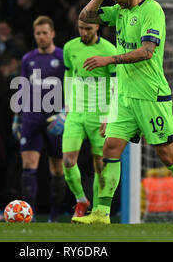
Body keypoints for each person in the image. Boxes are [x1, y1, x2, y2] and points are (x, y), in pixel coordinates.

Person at [74, 0, 173, 225]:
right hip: (125, 98)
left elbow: (146, 51)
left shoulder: (151, 10)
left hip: (150, 95)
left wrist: (108, 59)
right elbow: (85, 16)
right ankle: (101, 212)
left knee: (167, 155)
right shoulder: (119, 11)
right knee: (110, 148)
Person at [61, 19, 117, 221]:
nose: (84, 32)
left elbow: (115, 84)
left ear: (97, 28)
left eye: (88, 29)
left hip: (99, 113)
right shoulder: (70, 47)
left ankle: (96, 211)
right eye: (81, 28)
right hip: (75, 112)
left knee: (100, 165)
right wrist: (67, 104)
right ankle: (81, 199)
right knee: (67, 161)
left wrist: (109, 115)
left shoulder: (109, 49)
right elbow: (68, 74)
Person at [13, 16, 66, 222]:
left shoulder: (63, 57)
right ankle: (30, 216)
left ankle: (54, 216)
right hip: (31, 116)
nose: (41, 37)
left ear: (52, 34)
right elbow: (22, 86)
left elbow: (70, 86)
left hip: (55, 117)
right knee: (28, 166)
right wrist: (17, 117)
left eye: (45, 33)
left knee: (57, 168)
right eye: (38, 33)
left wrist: (65, 112)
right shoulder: (28, 59)